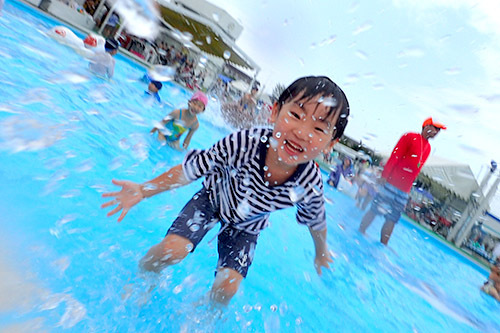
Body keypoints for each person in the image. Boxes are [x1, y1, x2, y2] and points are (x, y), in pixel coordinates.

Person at [101, 76, 350, 304]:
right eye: (295, 115)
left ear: (331, 143)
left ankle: (205, 314)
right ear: (274, 112)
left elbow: (316, 222)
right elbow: (192, 169)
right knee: (172, 251)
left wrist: (321, 253)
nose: (302, 132)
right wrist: (144, 190)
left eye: (319, 129)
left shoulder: (309, 182)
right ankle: (143, 272)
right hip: (212, 200)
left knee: (227, 289)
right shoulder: (245, 142)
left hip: (247, 226)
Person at [358, 117, 446, 245]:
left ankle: (383, 245)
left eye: (438, 130)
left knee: (392, 219)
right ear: (426, 126)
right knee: (375, 210)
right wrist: (385, 175)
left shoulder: (428, 148)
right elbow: (395, 156)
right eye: (435, 128)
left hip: (404, 191)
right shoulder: (410, 136)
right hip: (390, 184)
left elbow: (416, 170)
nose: (436, 132)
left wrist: (408, 191)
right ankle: (360, 232)